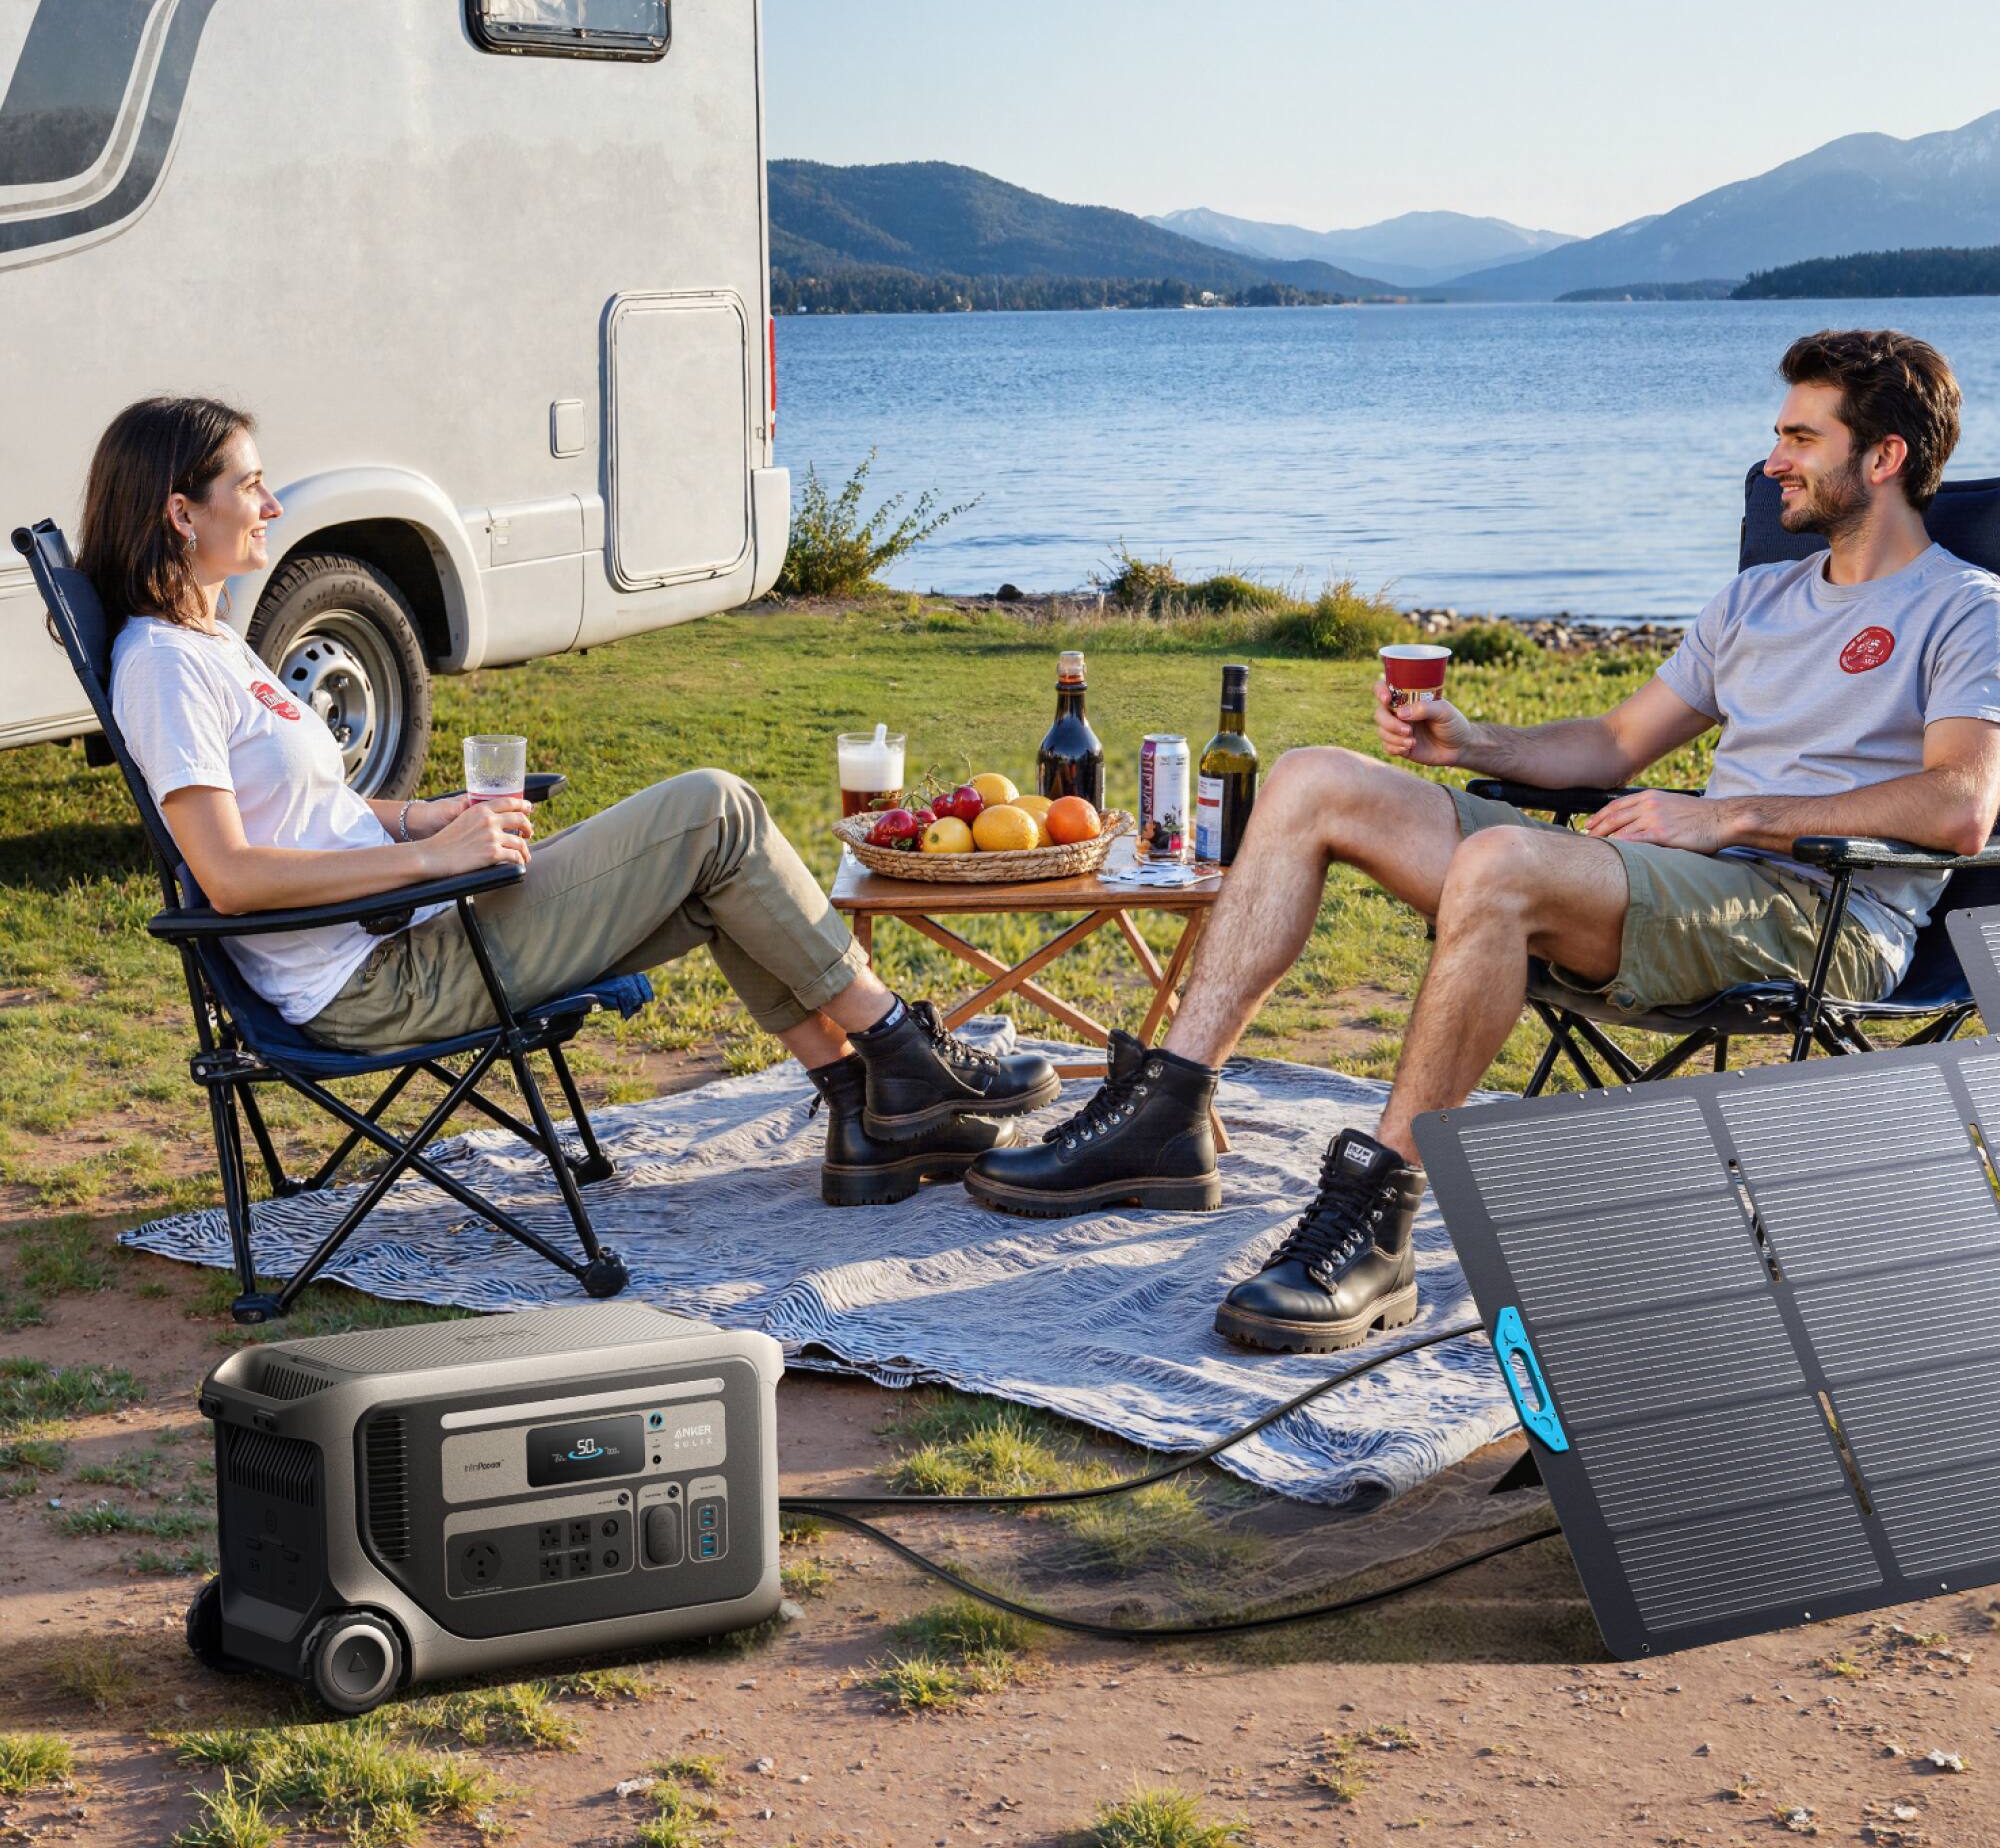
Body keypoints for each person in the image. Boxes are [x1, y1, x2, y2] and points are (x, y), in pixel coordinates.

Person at [966, 329, 2000, 1350]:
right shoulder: (1755, 598)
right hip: (1685, 881)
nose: (1771, 459)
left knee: (1500, 863)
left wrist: (1732, 814)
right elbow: (1612, 741)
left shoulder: (1961, 609)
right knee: (1310, 776)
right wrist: (1468, 739)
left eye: (1798, 437)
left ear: (1884, 456)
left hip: (1817, 915)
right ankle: (1167, 1112)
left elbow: (1958, 805)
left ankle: (1374, 1226)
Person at [81, 396, 1061, 1206]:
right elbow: (229, 874)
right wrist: (432, 860)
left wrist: (424, 817)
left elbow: (302, 812)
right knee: (714, 811)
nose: (270, 502)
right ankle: (900, 1061)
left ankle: (863, 1107)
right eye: (249, 483)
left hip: (418, 926)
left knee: (710, 873)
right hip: (376, 977)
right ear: (178, 511)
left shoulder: (212, 643)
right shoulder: (162, 666)